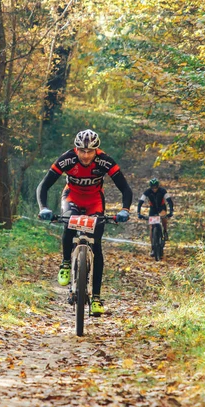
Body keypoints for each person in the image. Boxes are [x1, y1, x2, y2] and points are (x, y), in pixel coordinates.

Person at [36, 129, 133, 316]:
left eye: (90, 151)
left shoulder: (105, 161)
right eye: (82, 151)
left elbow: (125, 188)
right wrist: (43, 208)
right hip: (72, 197)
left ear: (97, 150)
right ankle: (65, 263)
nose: (86, 155)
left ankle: (96, 297)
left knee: (96, 247)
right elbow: (44, 185)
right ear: (76, 149)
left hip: (95, 201)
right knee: (69, 223)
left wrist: (124, 210)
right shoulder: (67, 159)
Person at [137, 178, 174, 255]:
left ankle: (165, 230)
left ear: (158, 186)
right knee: (151, 227)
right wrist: (138, 213)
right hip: (153, 209)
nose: (154, 189)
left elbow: (169, 201)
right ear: (150, 187)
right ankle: (153, 248)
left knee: (163, 216)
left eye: (156, 187)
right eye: (152, 187)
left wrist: (171, 211)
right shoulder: (147, 192)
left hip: (161, 207)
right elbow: (141, 201)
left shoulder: (162, 191)